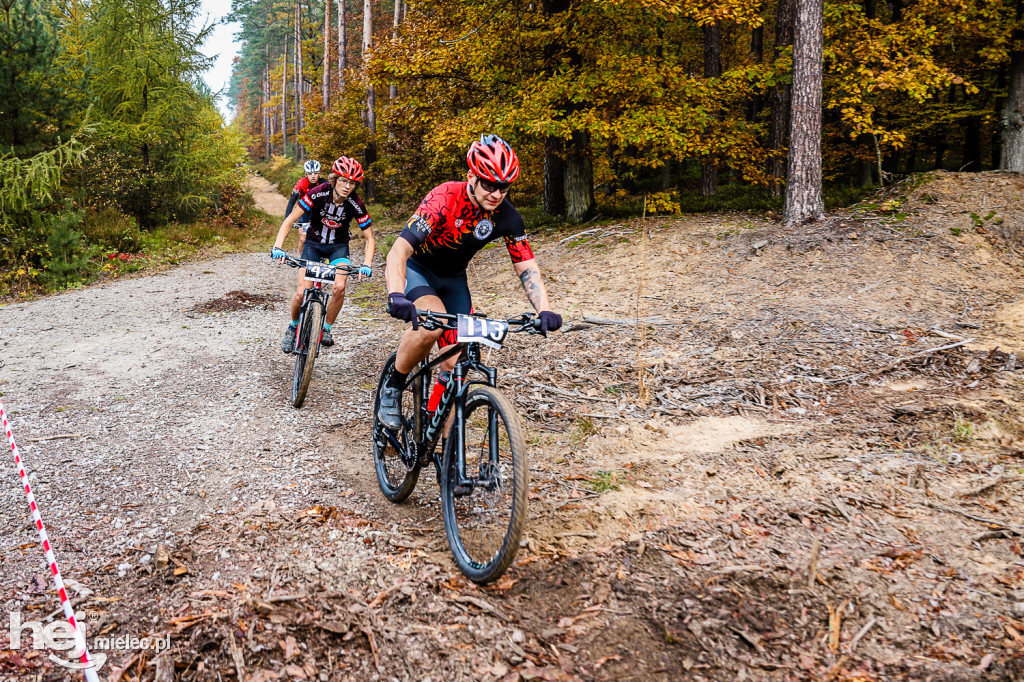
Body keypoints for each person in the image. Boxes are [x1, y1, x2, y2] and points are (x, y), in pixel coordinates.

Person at [378, 134, 562, 429]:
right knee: (432, 327)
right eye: (489, 183)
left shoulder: (508, 216)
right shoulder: (444, 197)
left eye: (504, 186)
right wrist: (396, 293)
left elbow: (526, 266)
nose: (496, 193)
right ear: (471, 177)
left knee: (455, 364)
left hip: (454, 280)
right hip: (419, 270)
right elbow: (400, 250)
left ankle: (438, 441)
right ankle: (394, 384)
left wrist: (544, 310)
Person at [271, 156, 375, 351]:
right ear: (335, 179)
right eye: (343, 180)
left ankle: (326, 328)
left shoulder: (356, 203)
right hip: (313, 245)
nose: (347, 186)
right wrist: (278, 247)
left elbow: (369, 238)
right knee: (302, 293)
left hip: (338, 248)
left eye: (352, 183)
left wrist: (367, 264)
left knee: (338, 288)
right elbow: (290, 219)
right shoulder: (319, 193)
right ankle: (293, 328)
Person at [285, 160, 322, 251]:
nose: (313, 176)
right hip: (305, 212)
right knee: (303, 239)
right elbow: (291, 201)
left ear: (319, 173)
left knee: (322, 239)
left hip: (319, 212)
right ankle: (303, 263)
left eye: (315, 173)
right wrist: (287, 220)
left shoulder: (324, 184)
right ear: (306, 174)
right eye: (310, 174)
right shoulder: (301, 184)